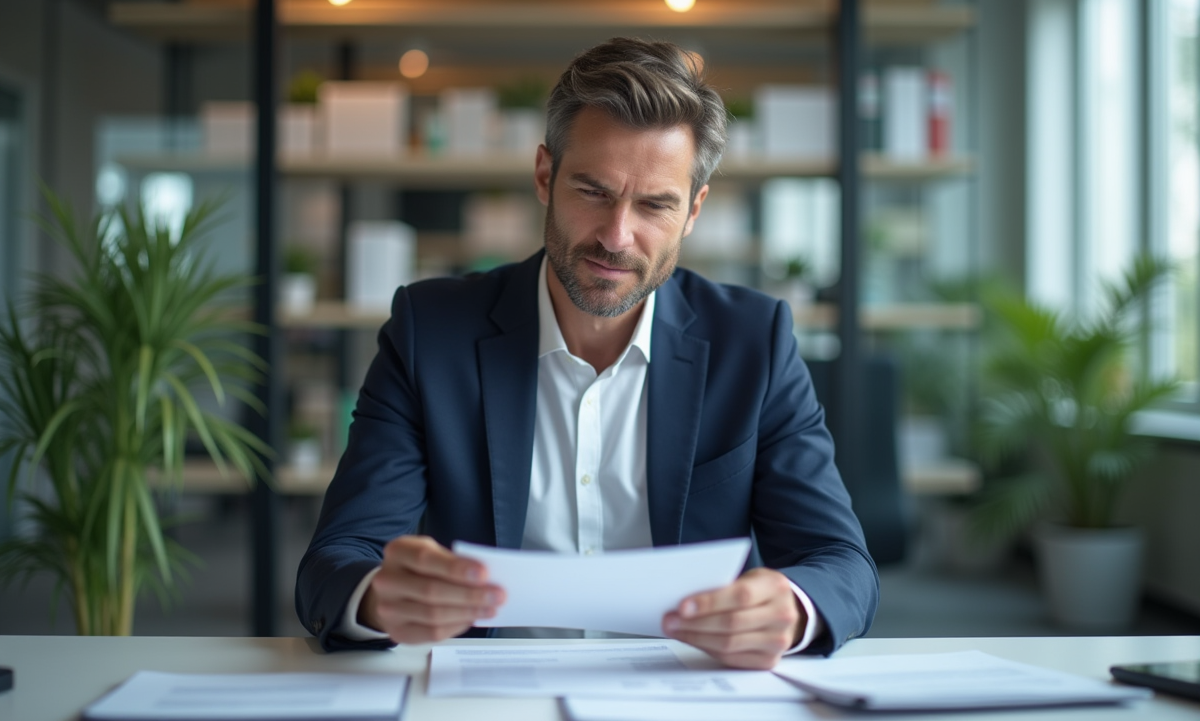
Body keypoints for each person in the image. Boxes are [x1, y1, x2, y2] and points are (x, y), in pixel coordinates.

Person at [296, 37, 878, 669]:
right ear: (545, 176)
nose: (617, 236)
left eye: (656, 204)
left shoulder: (753, 341)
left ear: (693, 211)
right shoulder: (429, 331)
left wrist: (790, 607)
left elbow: (842, 564)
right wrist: (380, 599)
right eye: (594, 191)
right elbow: (337, 557)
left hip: (686, 694)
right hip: (489, 701)